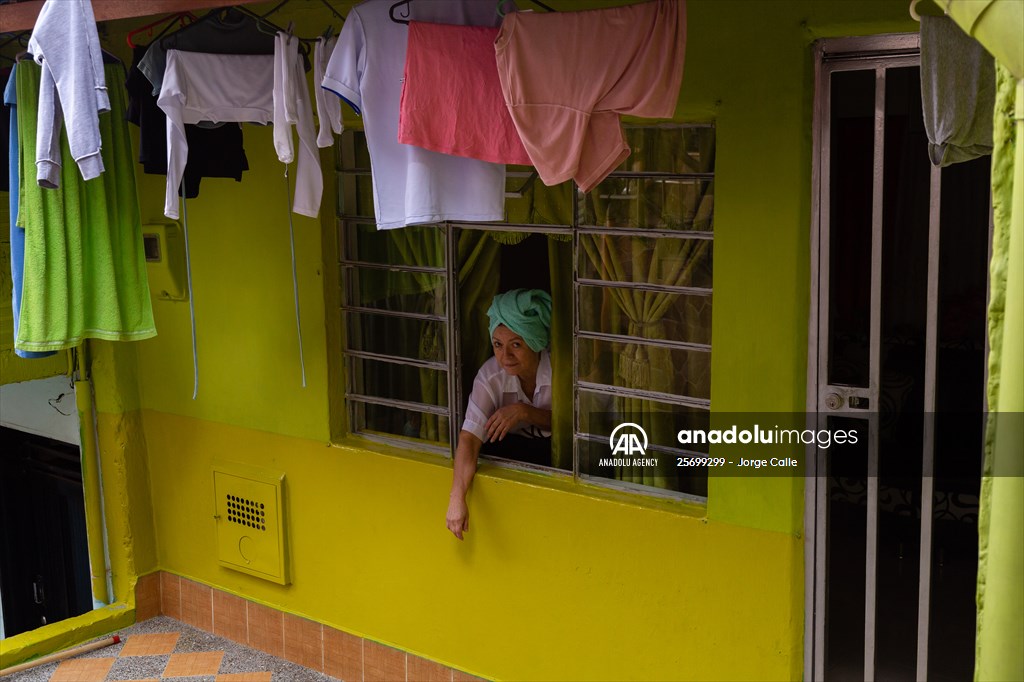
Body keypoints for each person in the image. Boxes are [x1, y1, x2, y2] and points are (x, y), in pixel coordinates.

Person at [446, 289, 553, 540]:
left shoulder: (562, 371)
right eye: (497, 345)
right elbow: (469, 438)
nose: (505, 357)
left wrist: (524, 412)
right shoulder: (490, 376)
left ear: (535, 341)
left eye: (516, 344)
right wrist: (457, 498)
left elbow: (578, 426)